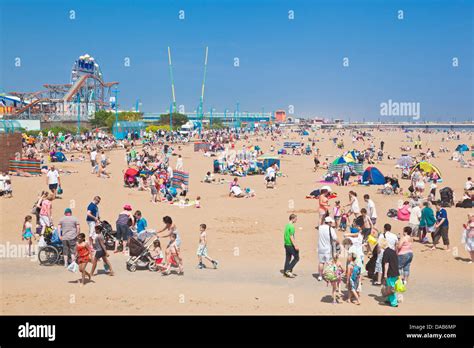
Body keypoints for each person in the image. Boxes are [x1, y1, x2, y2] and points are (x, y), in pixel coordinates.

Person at [317, 216, 339, 281]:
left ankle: (320, 276)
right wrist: (339, 244)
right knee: (329, 263)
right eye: (331, 222)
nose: (331, 224)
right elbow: (335, 238)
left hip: (320, 248)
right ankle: (329, 275)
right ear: (329, 222)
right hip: (328, 248)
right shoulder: (331, 229)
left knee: (321, 262)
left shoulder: (320, 228)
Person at [382, 239, 400, 307]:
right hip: (395, 271)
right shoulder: (392, 251)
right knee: (390, 287)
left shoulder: (386, 252)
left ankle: (394, 302)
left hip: (390, 273)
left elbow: (386, 264)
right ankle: (389, 299)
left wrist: (385, 274)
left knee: (391, 287)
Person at [283, 214, 299, 278]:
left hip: (286, 244)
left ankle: (285, 272)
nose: (296, 220)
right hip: (290, 245)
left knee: (288, 258)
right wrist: (295, 245)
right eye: (296, 219)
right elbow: (291, 237)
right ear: (292, 219)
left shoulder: (287, 225)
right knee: (296, 258)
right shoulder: (291, 226)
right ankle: (288, 270)